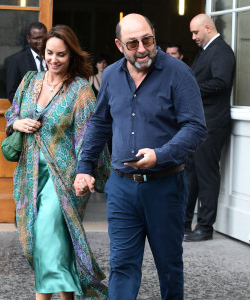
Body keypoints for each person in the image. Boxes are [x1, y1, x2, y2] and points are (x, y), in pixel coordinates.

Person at [74, 13, 207, 300]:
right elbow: (100, 123)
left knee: (168, 266)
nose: (143, 48)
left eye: (147, 40)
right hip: (122, 187)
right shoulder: (110, 75)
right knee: (122, 266)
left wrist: (161, 154)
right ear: (119, 46)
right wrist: (84, 166)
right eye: (133, 44)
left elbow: (196, 127)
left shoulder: (178, 73)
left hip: (165, 186)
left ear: (154, 36)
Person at [4, 24, 110, 300]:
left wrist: (86, 175)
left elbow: (90, 138)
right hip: (29, 174)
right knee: (55, 244)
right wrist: (17, 123)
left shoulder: (80, 91)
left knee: (47, 234)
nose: (54, 59)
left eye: (61, 54)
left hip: (63, 177)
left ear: (71, 55)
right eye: (49, 53)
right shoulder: (30, 81)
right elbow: (11, 113)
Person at [184, 14, 235, 242]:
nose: (193, 37)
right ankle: (184, 223)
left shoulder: (221, 51)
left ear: (207, 27)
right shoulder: (206, 51)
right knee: (192, 173)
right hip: (200, 122)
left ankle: (205, 228)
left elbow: (221, 83)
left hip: (213, 122)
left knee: (206, 174)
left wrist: (190, 87)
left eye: (196, 32)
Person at [6, 22, 47, 102]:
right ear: (28, 39)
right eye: (36, 38)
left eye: (43, 37)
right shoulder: (17, 61)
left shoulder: (53, 58)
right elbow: (12, 93)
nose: (40, 41)